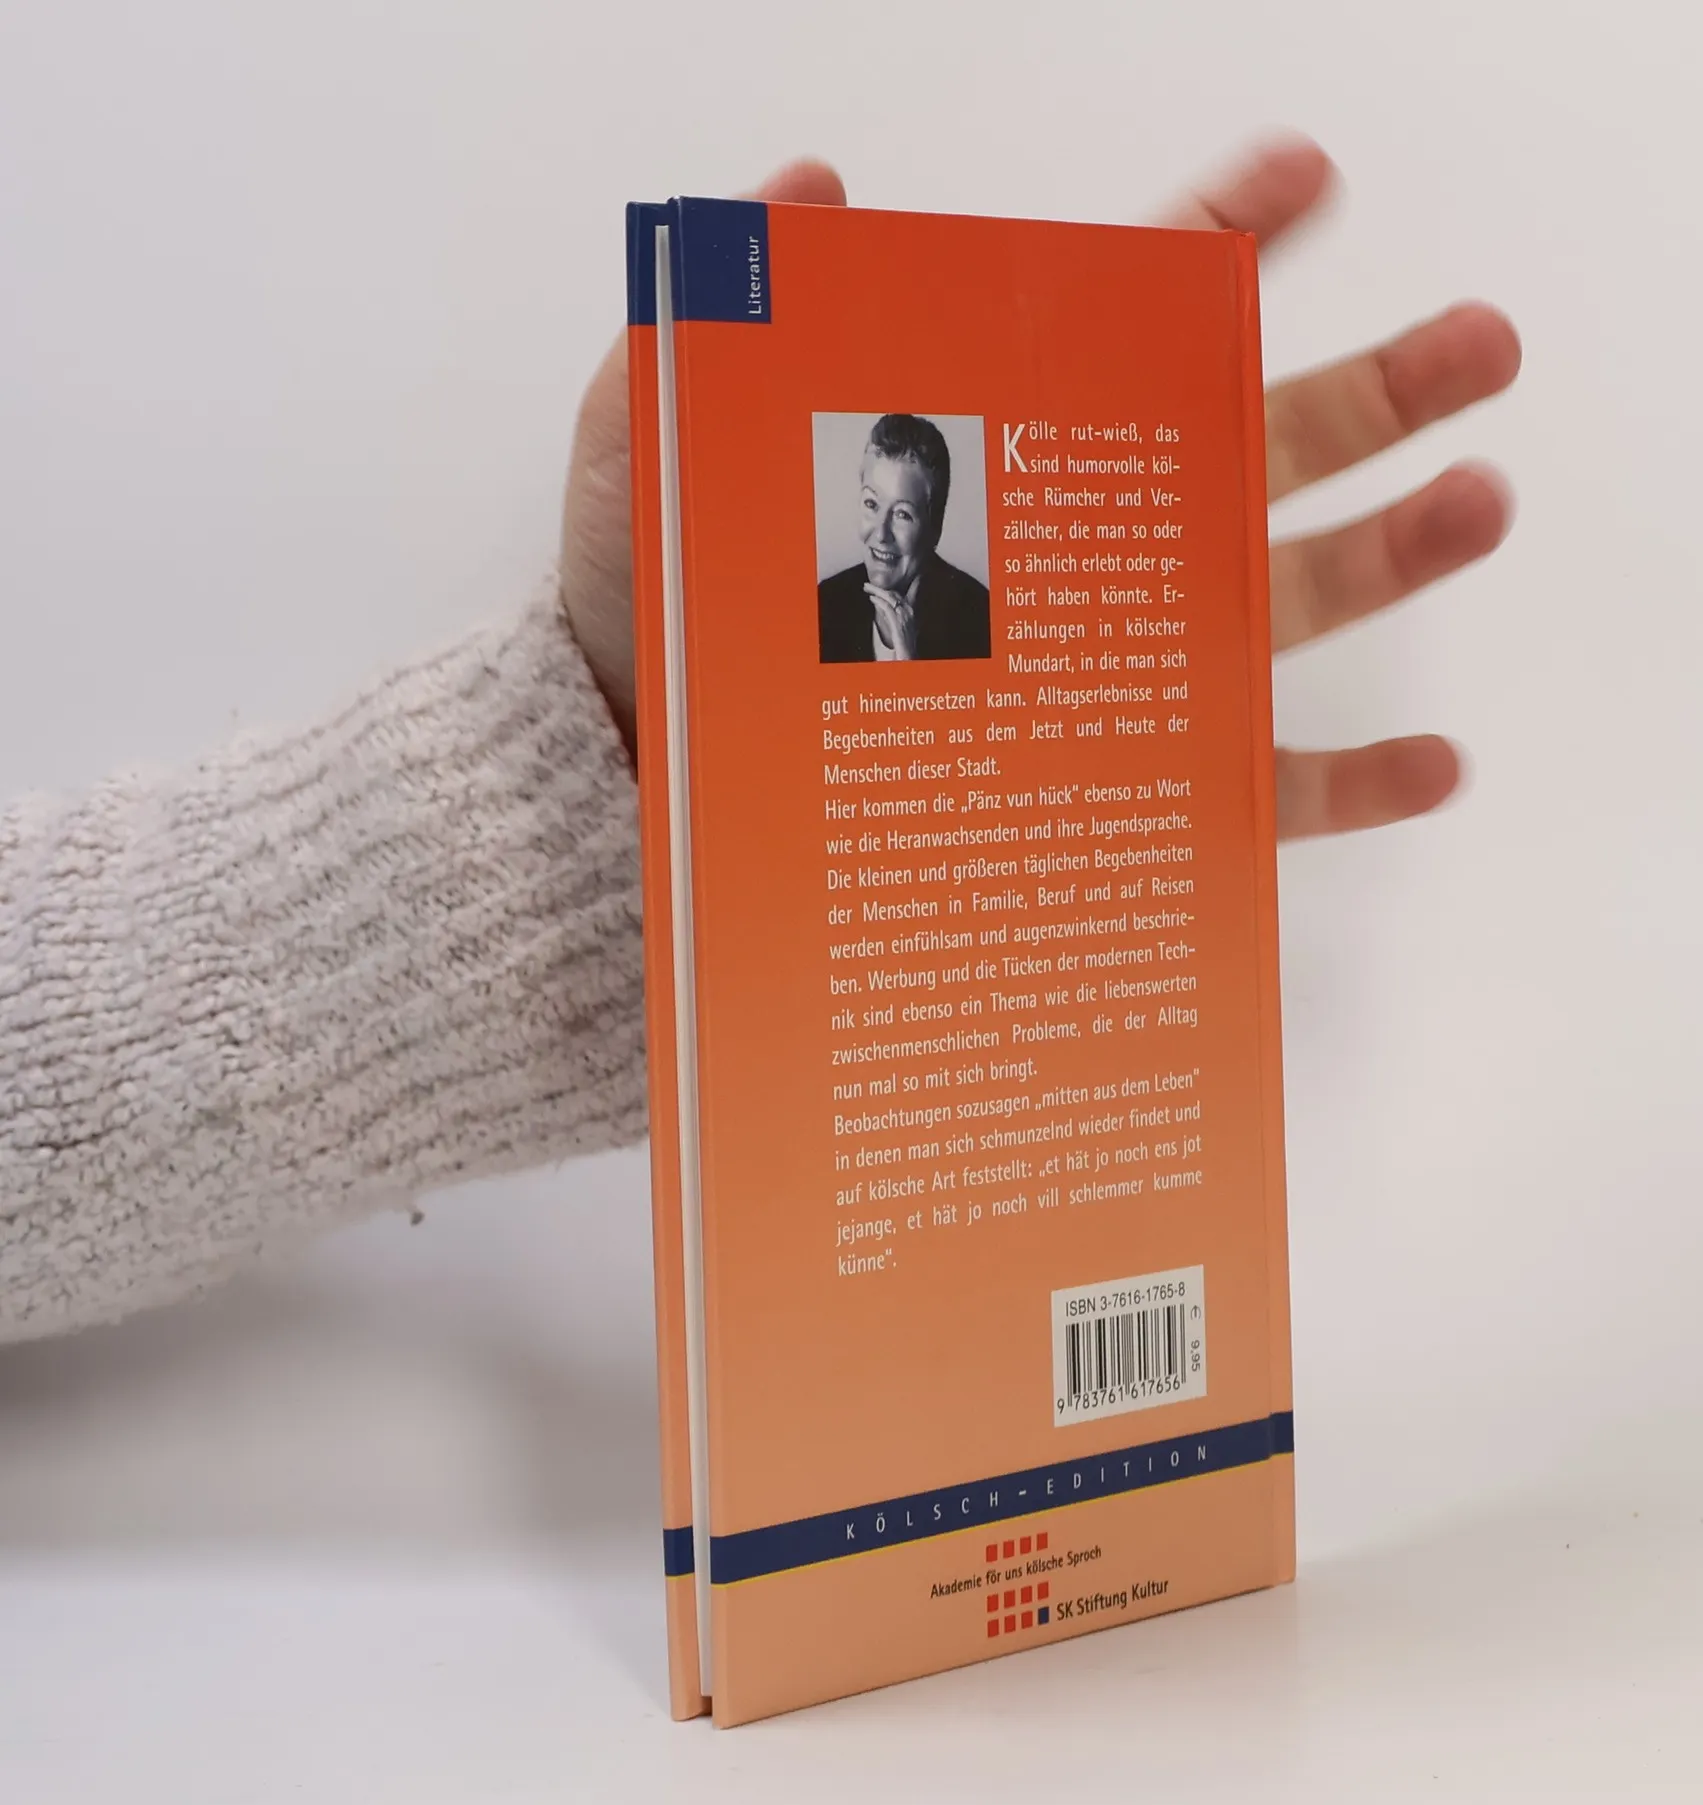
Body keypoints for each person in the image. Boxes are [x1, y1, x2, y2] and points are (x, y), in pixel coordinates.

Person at [0, 139, 1520, 1343]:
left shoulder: (974, 609)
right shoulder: (834, 606)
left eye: (915, 513)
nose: (890, 537)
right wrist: (604, 812)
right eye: (874, 510)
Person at [817, 413, 992, 662]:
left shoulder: (979, 617)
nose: (881, 534)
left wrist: (909, 661)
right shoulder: (825, 603)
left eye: (902, 514)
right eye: (871, 504)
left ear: (935, 527)